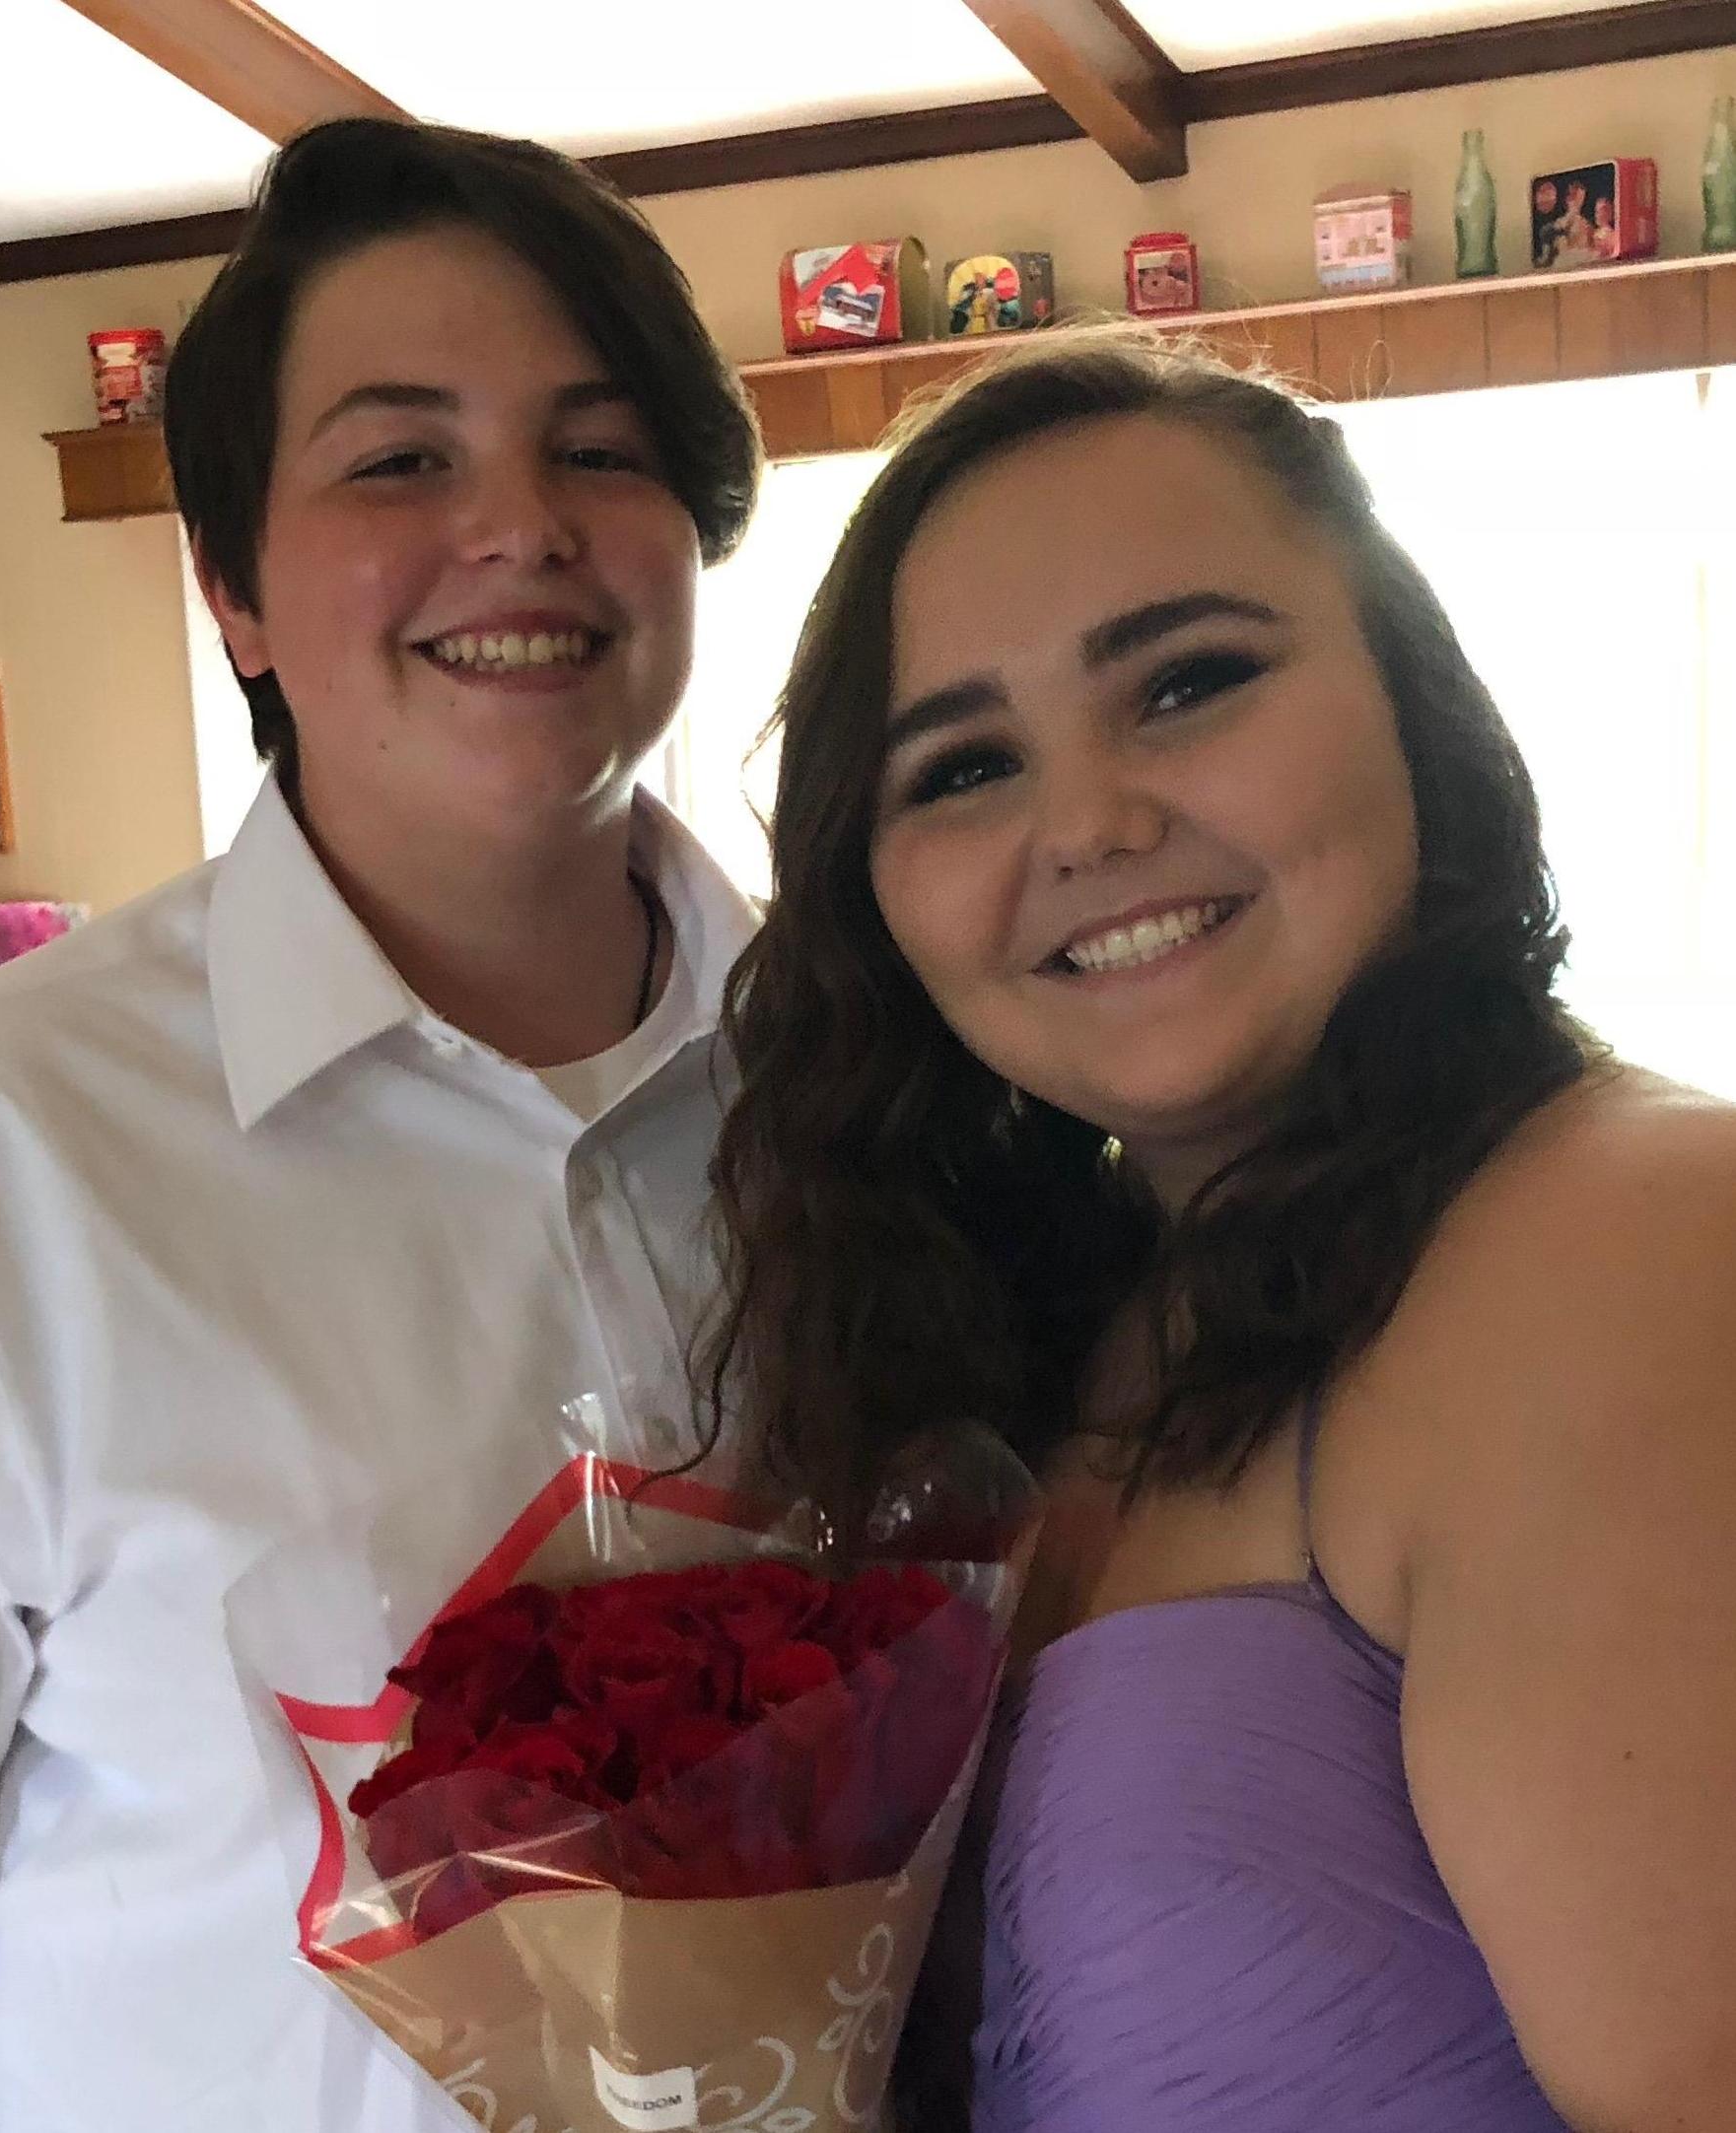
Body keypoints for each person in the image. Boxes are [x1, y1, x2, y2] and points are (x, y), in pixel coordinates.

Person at [0, 116, 759, 2133]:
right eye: (399, 456)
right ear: (229, 584)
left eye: (599, 446)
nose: (522, 522)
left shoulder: (856, 1099)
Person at [705, 329, 1736, 2131]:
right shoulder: (1056, 1322)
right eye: (957, 768)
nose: (1091, 820)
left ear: (1409, 699)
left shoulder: (1635, 1243)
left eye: (1184, 680)